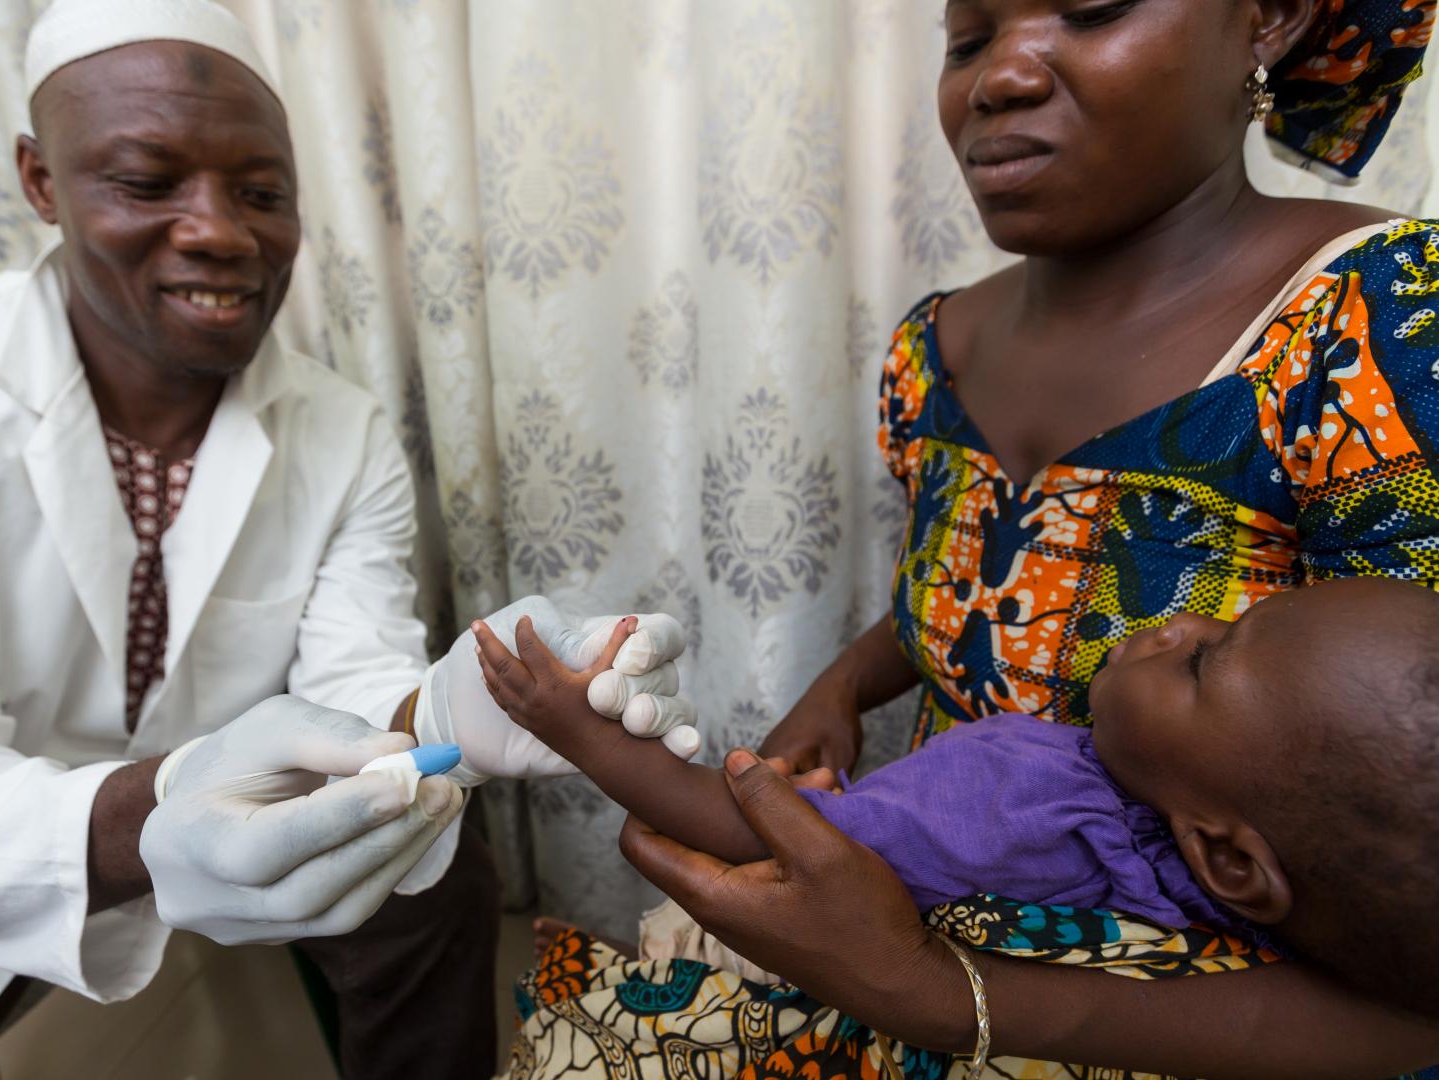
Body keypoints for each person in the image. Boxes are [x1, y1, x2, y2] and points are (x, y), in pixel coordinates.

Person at [0, 3, 697, 1078]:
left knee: (437, 874)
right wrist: (165, 797)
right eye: (147, 182)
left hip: (240, 821)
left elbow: (354, 674)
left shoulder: (341, 432)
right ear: (41, 182)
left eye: (262, 192)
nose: (221, 231)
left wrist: (451, 710)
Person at [603, 0, 1439, 1075]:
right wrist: (844, 686)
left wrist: (945, 999)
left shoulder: (1387, 325)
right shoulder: (929, 351)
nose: (996, 80)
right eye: (966, 42)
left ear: (1265, 22)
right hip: (917, 925)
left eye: (1089, 11)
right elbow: (978, 580)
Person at [475, 577, 1439, 1075]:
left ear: (1227, 855)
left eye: (1204, 663)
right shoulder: (1224, 878)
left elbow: (747, 830)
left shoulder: (1029, 810)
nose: (1181, 622)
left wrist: (577, 729)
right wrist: (844, 693)